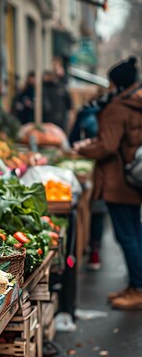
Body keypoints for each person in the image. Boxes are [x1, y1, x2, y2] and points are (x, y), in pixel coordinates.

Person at [75, 56, 142, 309]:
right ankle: (135, 284)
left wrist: (83, 149)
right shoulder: (136, 104)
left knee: (127, 236)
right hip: (133, 178)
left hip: (117, 181)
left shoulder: (117, 107)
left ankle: (138, 289)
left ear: (117, 84)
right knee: (134, 231)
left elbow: (107, 145)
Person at [69, 95, 105, 271]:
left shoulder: (84, 114)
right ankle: (94, 252)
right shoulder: (109, 112)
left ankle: (76, 252)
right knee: (98, 208)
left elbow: (72, 140)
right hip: (106, 169)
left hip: (92, 166)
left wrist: (83, 148)